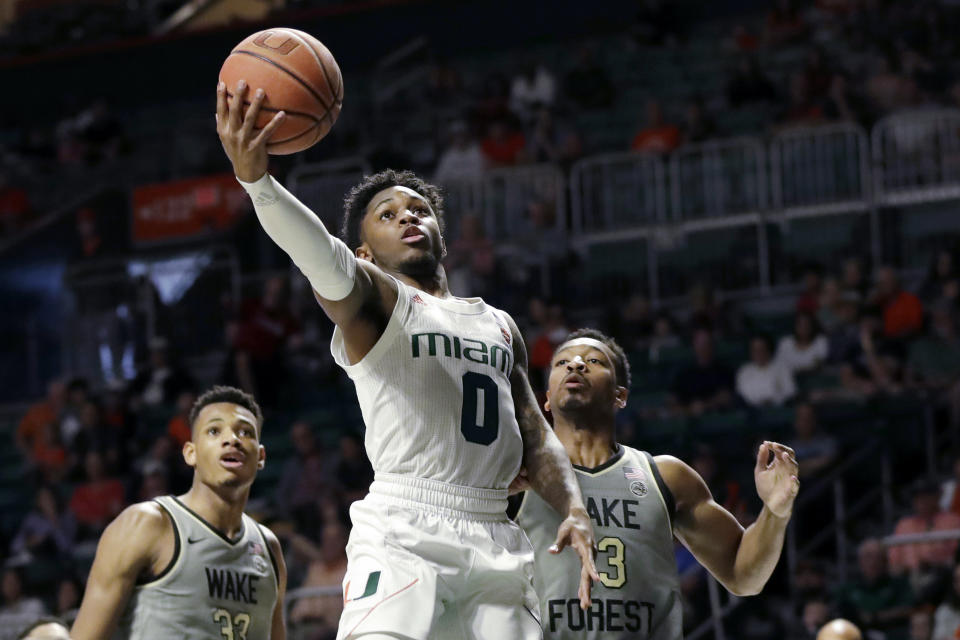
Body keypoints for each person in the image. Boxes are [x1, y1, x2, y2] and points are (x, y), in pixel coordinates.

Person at [216, 80, 597, 640]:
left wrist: (574, 507)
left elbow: (537, 437)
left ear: (441, 232)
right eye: (388, 214)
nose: (409, 216)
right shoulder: (377, 299)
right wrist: (259, 184)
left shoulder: (497, 322)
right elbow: (317, 251)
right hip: (406, 527)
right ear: (365, 252)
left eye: (419, 209)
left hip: (497, 533)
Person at [512, 328, 799, 638]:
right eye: (562, 362)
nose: (576, 364)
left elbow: (744, 576)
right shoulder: (514, 472)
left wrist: (775, 512)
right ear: (546, 399)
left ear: (619, 395)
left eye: (594, 360)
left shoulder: (665, 477)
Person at [70, 386, 286, 640]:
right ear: (190, 453)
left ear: (260, 457)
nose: (232, 439)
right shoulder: (146, 524)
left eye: (245, 432)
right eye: (214, 431)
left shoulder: (268, 548)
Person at [737, 334, 797, 407]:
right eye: (754, 350)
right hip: (751, 411)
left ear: (769, 349)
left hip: (777, 409)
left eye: (761, 349)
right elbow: (741, 394)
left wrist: (773, 400)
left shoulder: (782, 368)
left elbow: (790, 392)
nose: (758, 353)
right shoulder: (744, 371)